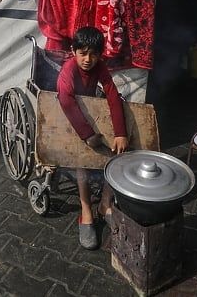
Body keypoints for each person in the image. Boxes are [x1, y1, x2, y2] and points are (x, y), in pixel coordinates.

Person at [56, 26, 128, 250]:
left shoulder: (100, 67)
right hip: (68, 118)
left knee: (115, 153)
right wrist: (87, 136)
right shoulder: (68, 71)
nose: (88, 59)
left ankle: (105, 204)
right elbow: (66, 101)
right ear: (73, 51)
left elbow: (113, 95)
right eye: (83, 53)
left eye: (93, 54)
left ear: (100, 55)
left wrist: (120, 133)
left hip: (88, 110)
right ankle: (86, 209)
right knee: (82, 161)